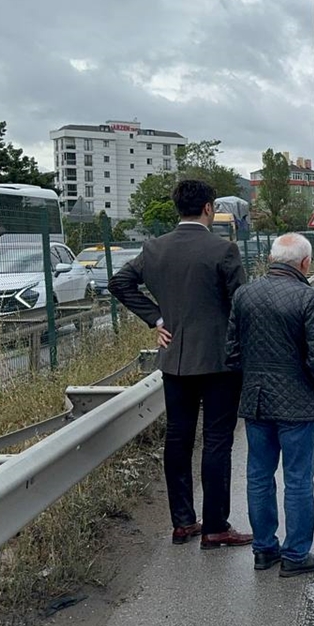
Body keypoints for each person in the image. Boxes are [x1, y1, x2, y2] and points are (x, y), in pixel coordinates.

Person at [108, 179, 253, 550]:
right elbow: (241, 305)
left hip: (173, 359)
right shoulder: (224, 250)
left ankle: (183, 522)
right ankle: (216, 526)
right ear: (209, 208)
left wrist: (157, 320)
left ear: (178, 208)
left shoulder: (154, 248)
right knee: (217, 441)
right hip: (220, 361)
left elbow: (120, 282)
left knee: (178, 438)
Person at [225, 233, 314, 578]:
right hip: (298, 402)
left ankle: (263, 550)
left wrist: (252, 379)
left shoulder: (244, 294)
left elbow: (232, 352)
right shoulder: (308, 298)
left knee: (259, 477)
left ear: (272, 259)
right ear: (304, 263)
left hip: (256, 400)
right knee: (298, 479)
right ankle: (296, 555)